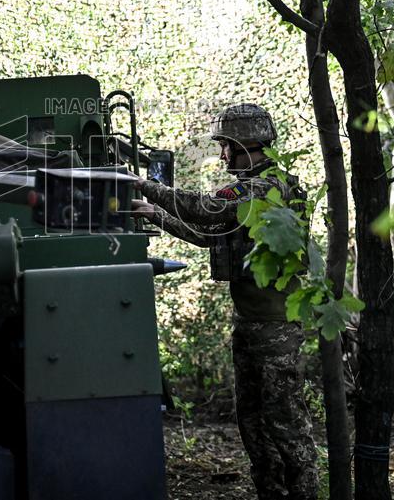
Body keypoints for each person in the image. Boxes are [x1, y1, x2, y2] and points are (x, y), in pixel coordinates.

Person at [131, 103, 318, 500]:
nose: (221, 156)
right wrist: (154, 213)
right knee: (252, 424)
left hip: (276, 327)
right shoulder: (250, 190)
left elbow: (208, 209)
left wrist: (147, 187)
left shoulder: (268, 187)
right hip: (250, 323)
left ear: (246, 144)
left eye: (225, 148)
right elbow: (209, 233)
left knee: (287, 426)